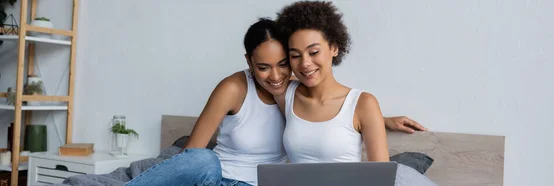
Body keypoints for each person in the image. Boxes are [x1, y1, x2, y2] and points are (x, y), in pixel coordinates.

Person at [125, 18, 426, 186]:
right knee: (203, 158)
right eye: (263, 67)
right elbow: (192, 155)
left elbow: (337, 112)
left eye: (284, 63)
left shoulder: (303, 92)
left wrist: (380, 119)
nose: (276, 76)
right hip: (217, 179)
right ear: (250, 63)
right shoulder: (259, 89)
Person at [274, 1, 391, 163]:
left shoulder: (363, 103)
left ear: (334, 48)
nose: (305, 63)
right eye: (295, 55)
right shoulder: (285, 92)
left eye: (313, 52)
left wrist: (380, 119)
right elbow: (255, 73)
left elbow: (380, 176)